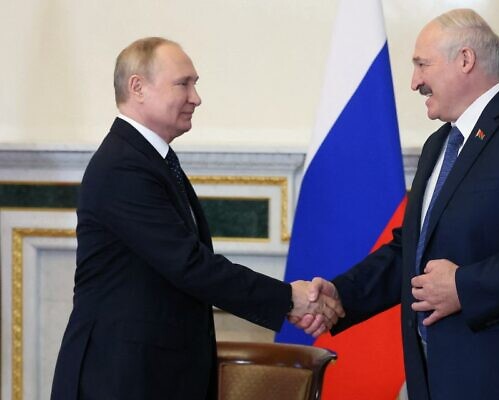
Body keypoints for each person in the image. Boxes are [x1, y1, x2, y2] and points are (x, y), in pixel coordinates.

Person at [298, 8, 499, 400]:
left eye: (421, 65)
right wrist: (343, 294)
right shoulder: (440, 145)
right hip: (447, 379)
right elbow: (411, 250)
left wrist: (464, 286)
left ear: (465, 60)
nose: (414, 82)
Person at [50, 37, 343, 400]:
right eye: (183, 84)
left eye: (195, 84)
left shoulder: (150, 160)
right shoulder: (124, 166)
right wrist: (288, 299)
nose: (196, 97)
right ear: (137, 87)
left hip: (151, 373)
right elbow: (190, 265)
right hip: (119, 377)